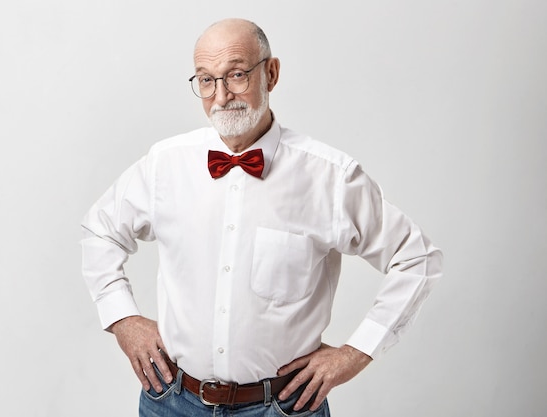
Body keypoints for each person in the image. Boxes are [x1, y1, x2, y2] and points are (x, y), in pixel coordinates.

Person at [80, 18, 443, 417]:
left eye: (236, 75)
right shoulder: (166, 164)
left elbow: (417, 258)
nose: (221, 96)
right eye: (206, 80)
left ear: (270, 73)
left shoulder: (330, 177)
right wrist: (123, 317)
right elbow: (100, 231)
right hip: (172, 402)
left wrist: (355, 353)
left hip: (282, 408)